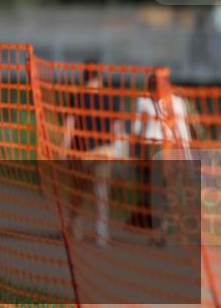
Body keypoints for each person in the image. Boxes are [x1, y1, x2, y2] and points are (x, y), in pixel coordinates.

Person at [59, 61, 126, 247]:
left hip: (81, 152)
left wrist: (63, 151)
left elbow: (69, 126)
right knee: (101, 192)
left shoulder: (77, 98)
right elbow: (118, 127)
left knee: (78, 191)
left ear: (84, 75)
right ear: (100, 76)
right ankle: (101, 231)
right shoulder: (110, 98)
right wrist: (120, 151)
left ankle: (75, 227)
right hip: (103, 151)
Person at [131, 72, 193, 239]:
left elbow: (137, 131)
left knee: (160, 191)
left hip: (161, 149)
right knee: (163, 191)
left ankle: (161, 227)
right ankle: (161, 226)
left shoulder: (147, 101)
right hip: (161, 149)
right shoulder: (173, 102)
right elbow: (183, 132)